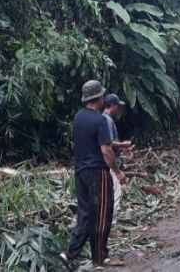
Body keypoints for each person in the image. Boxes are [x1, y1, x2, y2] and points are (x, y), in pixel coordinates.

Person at [60, 80, 127, 269]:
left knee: (85, 214)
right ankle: (100, 257)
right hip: (98, 173)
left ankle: (69, 253)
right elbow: (105, 150)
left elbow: (95, 142)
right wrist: (117, 172)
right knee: (103, 214)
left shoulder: (78, 118)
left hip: (80, 172)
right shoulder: (99, 120)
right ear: (99, 98)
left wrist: (118, 145)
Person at [102, 93, 134, 226]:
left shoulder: (103, 119)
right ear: (113, 105)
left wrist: (121, 149)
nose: (118, 109)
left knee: (109, 194)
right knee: (116, 194)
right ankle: (111, 225)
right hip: (110, 164)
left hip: (107, 162)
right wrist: (122, 145)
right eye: (117, 106)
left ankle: (106, 223)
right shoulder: (107, 120)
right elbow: (107, 144)